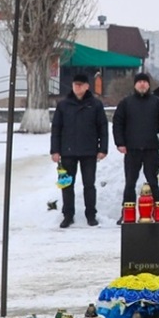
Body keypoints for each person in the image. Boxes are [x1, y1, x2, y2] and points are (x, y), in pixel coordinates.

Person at [50, 71, 108, 228]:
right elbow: (56, 128)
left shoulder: (95, 105)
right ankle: (68, 215)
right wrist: (55, 150)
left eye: (81, 85)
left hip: (89, 151)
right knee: (67, 185)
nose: (78, 87)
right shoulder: (63, 105)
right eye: (75, 85)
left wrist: (103, 148)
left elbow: (102, 128)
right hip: (67, 151)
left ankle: (91, 215)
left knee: (89, 185)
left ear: (87, 86)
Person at [112, 70, 159, 208]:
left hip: (151, 149)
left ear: (149, 85)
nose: (142, 84)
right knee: (130, 183)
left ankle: (156, 210)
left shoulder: (157, 103)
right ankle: (127, 212)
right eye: (139, 82)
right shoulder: (126, 103)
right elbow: (118, 123)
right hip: (131, 149)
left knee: (153, 181)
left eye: (145, 82)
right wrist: (120, 143)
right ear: (135, 85)